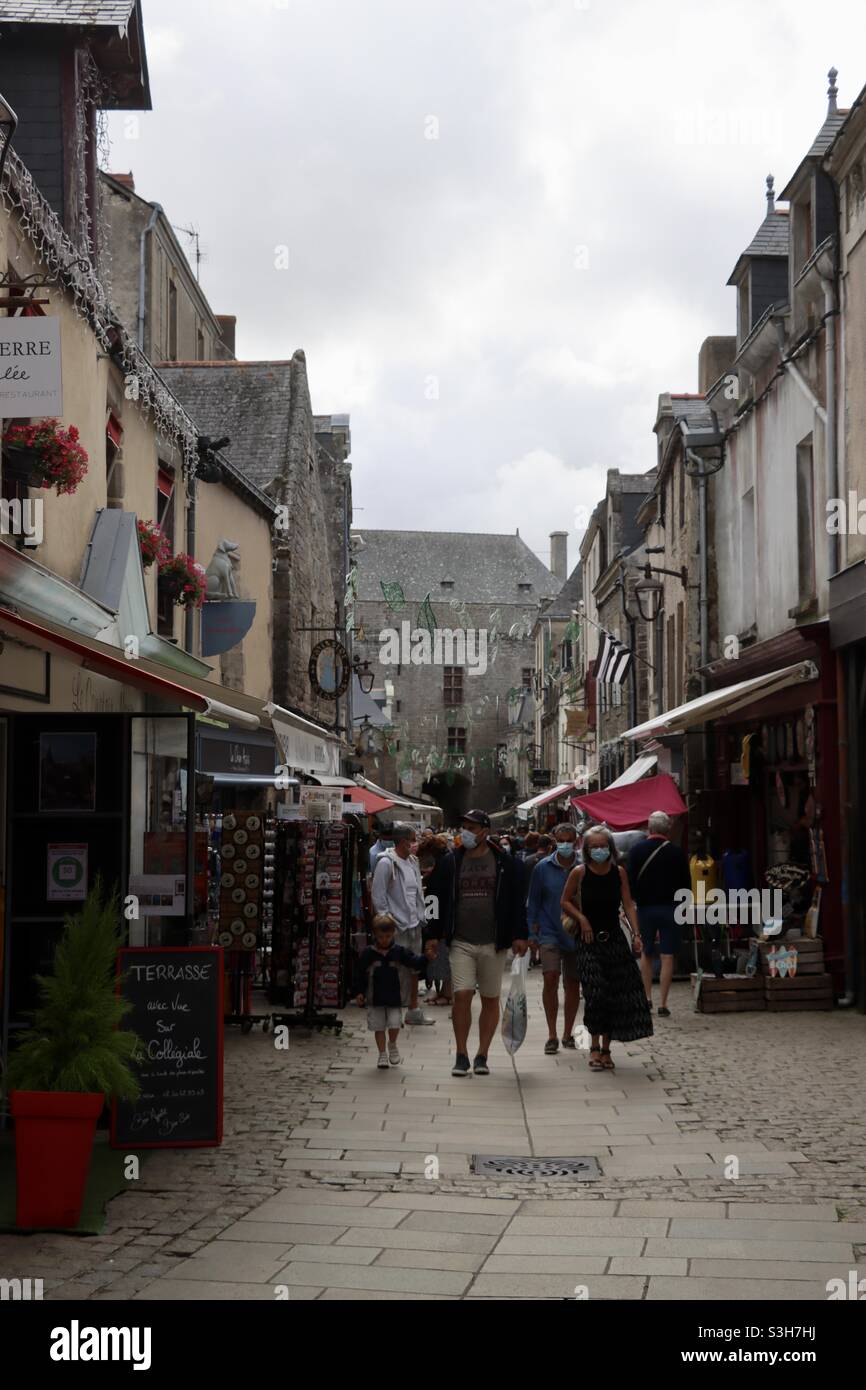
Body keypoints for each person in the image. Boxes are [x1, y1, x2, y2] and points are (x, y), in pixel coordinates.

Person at [427, 809, 529, 1077]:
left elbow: (517, 903)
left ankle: (482, 1054)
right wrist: (432, 936)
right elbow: (434, 899)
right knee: (461, 995)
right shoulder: (451, 862)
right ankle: (461, 1054)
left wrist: (520, 933)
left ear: (485, 831)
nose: (466, 832)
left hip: (493, 943)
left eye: (472, 828)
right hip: (460, 941)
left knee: (490, 999)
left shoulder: (504, 864)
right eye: (464, 827)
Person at [561, 825, 652, 1072]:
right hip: (587, 941)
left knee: (614, 993)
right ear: (587, 850)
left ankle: (606, 1049)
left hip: (613, 940)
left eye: (603, 846)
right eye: (594, 847)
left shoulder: (618, 872)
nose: (599, 850)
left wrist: (636, 934)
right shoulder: (579, 873)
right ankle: (592, 1046)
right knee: (595, 992)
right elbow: (565, 900)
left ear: (610, 849)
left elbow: (628, 904)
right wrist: (582, 919)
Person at [627, 811, 692, 1017]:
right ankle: (664, 1003)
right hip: (670, 909)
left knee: (646, 953)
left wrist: (636, 900)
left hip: (645, 909)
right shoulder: (676, 852)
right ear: (668, 829)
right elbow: (686, 885)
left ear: (650, 828)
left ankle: (647, 998)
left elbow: (629, 881)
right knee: (667, 955)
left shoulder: (636, 851)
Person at [526, 822, 581, 1053]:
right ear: (554, 841)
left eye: (570, 840)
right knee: (550, 978)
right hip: (549, 930)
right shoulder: (542, 868)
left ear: (576, 841)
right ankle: (552, 1034)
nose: (565, 844)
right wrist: (531, 932)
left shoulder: (582, 867)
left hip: (576, 933)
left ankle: (568, 1032)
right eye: (562, 840)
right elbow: (533, 901)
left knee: (573, 984)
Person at [371, 822, 432, 1025]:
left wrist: (421, 916)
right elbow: (378, 896)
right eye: (414, 839)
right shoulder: (386, 863)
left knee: (414, 969)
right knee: (393, 971)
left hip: (414, 924)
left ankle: (413, 1010)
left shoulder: (413, 861)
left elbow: (416, 893)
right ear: (404, 842)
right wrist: (387, 922)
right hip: (395, 926)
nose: (416, 844)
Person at [355, 914, 436, 1068]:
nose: (384, 939)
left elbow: (414, 962)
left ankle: (392, 1044)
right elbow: (359, 973)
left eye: (387, 936)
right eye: (381, 936)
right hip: (374, 998)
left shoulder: (399, 952)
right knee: (378, 1027)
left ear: (393, 934)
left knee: (394, 1024)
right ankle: (382, 1054)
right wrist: (359, 992)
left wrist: (426, 958)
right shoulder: (369, 953)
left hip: (394, 997)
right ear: (375, 935)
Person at [418, 833, 452, 1005]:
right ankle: (442, 992)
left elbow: (436, 897)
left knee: (443, 956)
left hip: (441, 919)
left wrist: (433, 926)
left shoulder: (443, 865)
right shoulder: (445, 862)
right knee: (442, 956)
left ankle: (446, 993)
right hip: (443, 917)